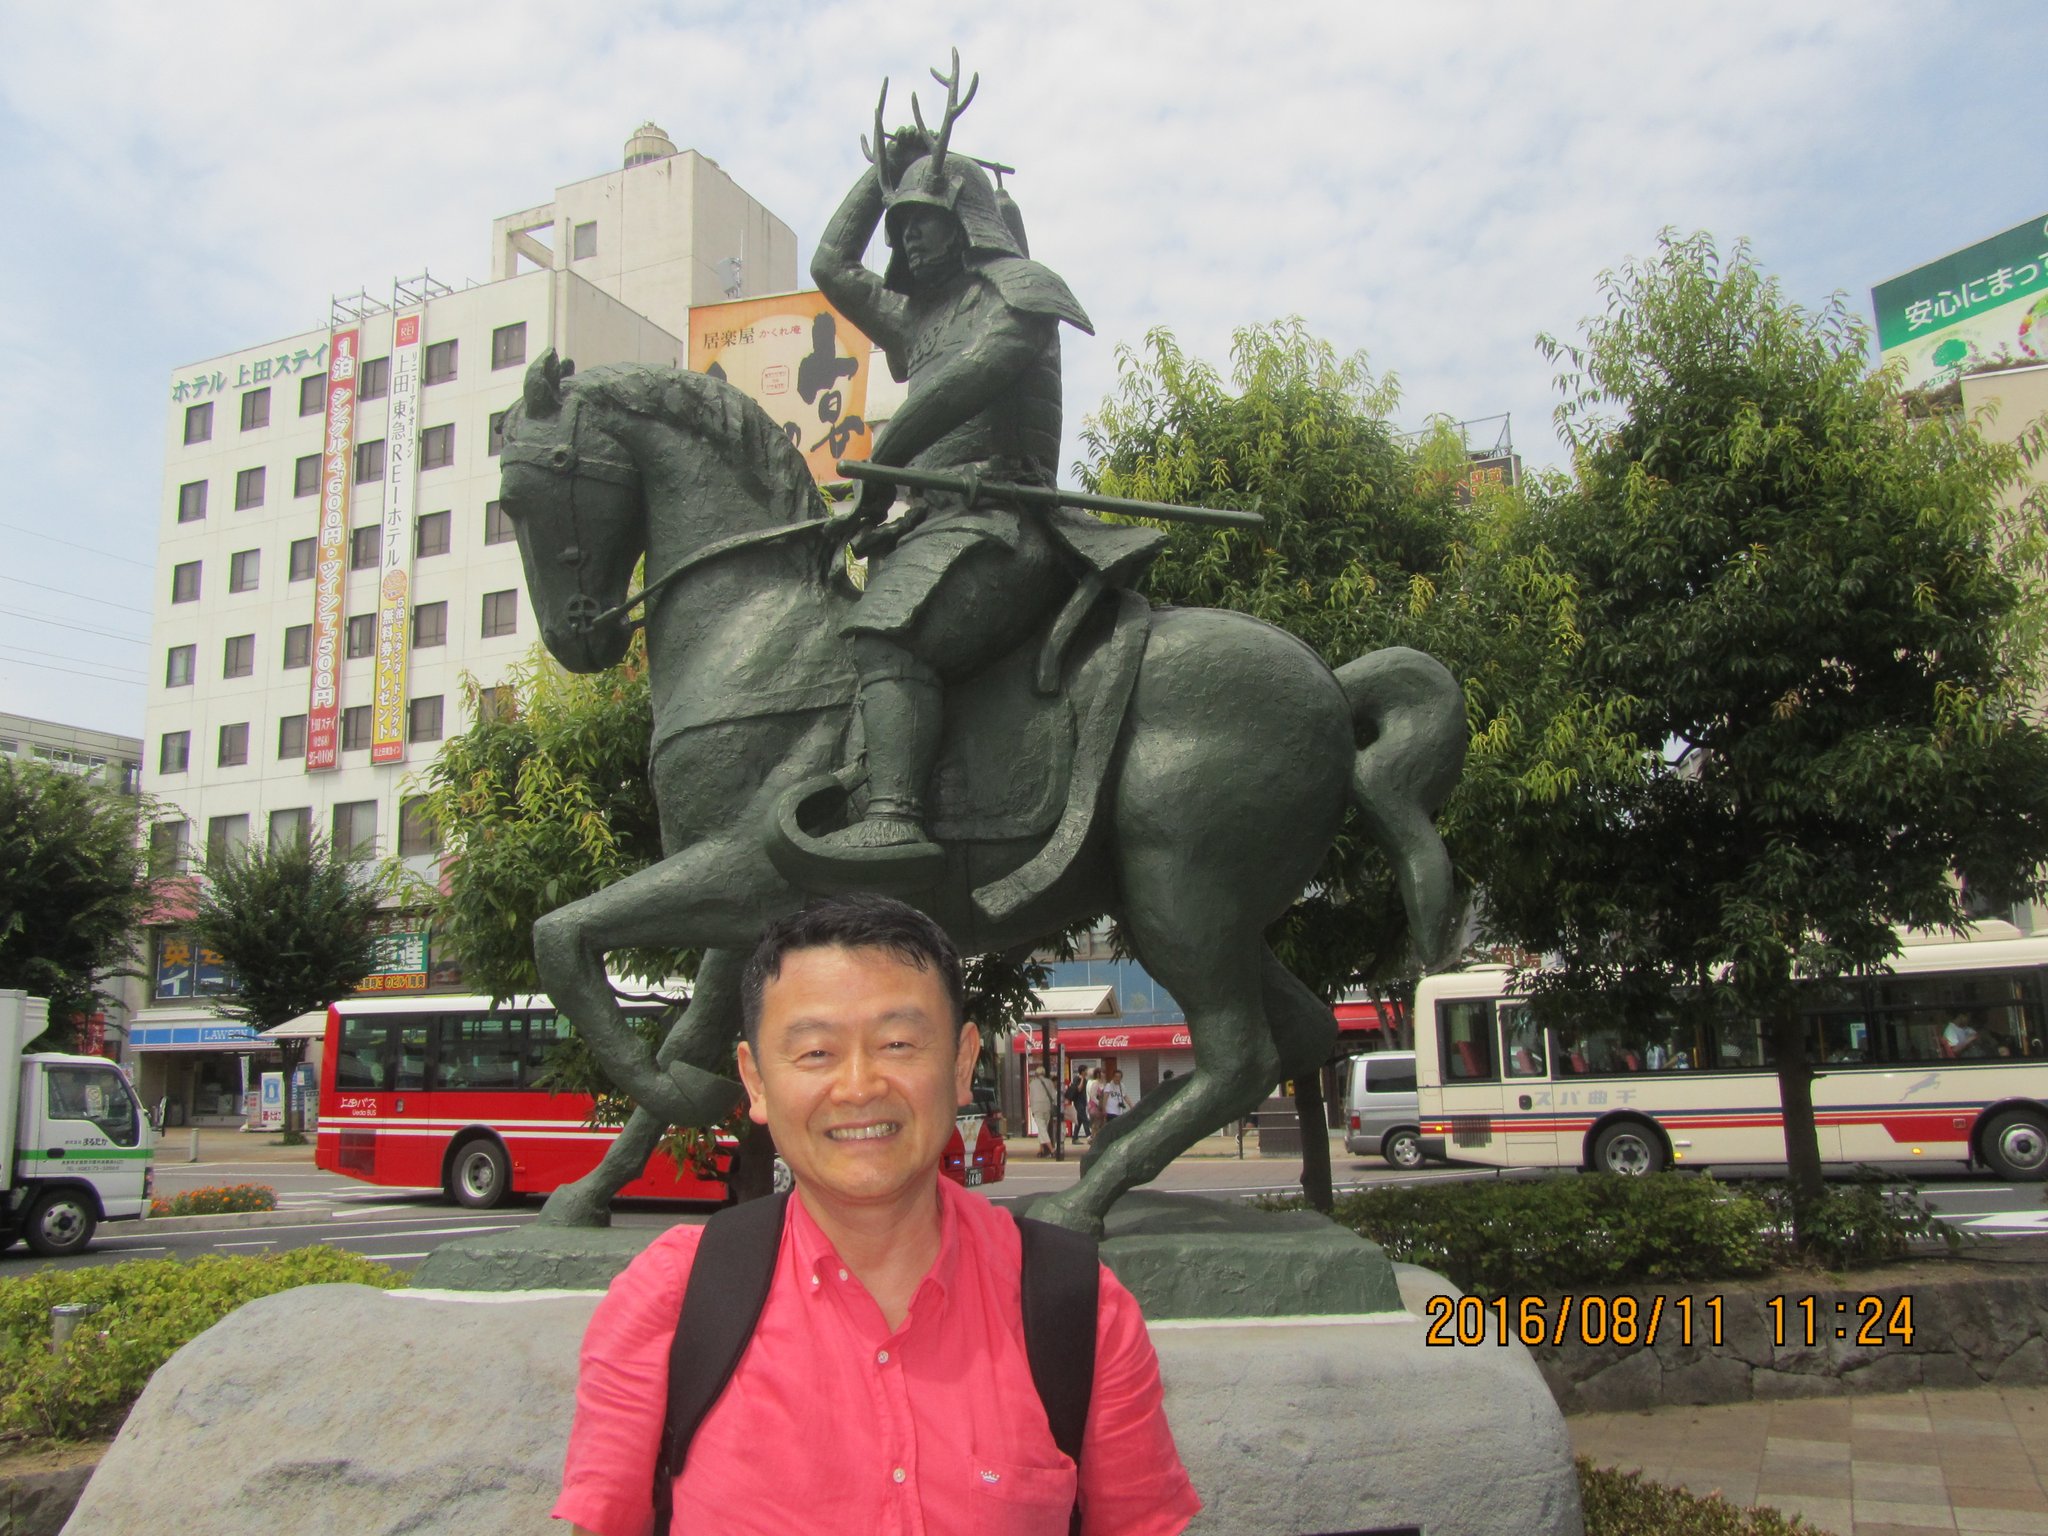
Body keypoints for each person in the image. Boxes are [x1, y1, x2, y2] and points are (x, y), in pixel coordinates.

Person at [555, 894, 1199, 1535]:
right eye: (815, 1053)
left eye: (897, 1042)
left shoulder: (1079, 1309)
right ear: (755, 1082)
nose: (859, 1086)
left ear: (960, 1063)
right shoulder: (670, 1301)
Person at [806, 72, 1162, 867]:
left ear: (968, 219)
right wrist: (884, 177)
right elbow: (831, 264)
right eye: (900, 231)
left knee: (883, 634)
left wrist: (878, 472)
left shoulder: (1020, 298)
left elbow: (964, 385)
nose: (906, 244)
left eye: (924, 224)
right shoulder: (915, 318)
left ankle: (894, 817)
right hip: (936, 528)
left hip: (1004, 524)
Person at [1027, 1062, 1060, 1158]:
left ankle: (1052, 1150)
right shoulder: (1049, 1082)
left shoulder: (1032, 1083)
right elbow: (1054, 1095)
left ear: (1036, 1074)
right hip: (1047, 1107)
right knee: (1043, 1128)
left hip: (1036, 1107)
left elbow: (1031, 1097)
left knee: (1042, 1129)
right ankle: (1040, 1150)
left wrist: (1032, 1109)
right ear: (1044, 1073)